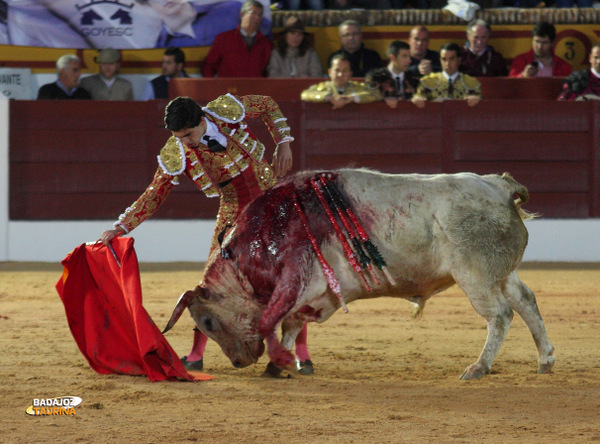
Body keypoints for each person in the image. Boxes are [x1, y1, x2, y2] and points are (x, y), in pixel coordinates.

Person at [98, 94, 312, 373]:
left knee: (291, 276)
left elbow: (268, 105)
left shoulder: (226, 111)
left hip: (274, 200)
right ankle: (196, 353)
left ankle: (301, 353)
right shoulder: (176, 152)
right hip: (234, 210)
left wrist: (283, 143)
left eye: (188, 134)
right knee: (212, 286)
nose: (185, 141)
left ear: (202, 120)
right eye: (179, 136)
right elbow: (154, 194)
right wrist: (121, 226)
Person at [202, 0, 272, 77]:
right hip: (228, 88)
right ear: (242, 14)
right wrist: (213, 87)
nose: (257, 17)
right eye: (253, 13)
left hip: (255, 88)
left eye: (260, 15)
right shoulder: (224, 39)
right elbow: (208, 66)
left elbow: (268, 71)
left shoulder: (265, 43)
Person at [412, 43, 481, 109]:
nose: (447, 63)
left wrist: (475, 99)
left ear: (459, 60)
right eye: (444, 59)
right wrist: (418, 99)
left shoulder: (471, 83)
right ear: (440, 60)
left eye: (451, 59)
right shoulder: (427, 81)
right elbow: (419, 96)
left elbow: (478, 99)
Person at [301, 54, 380, 109]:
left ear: (350, 74)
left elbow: (377, 93)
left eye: (345, 71)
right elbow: (305, 94)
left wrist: (351, 98)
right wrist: (329, 97)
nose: (340, 74)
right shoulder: (322, 87)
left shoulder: (358, 87)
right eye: (337, 70)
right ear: (329, 72)